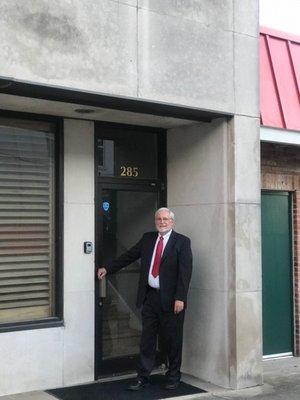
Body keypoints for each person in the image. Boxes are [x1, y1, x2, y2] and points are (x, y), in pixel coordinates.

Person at [97, 207, 192, 390]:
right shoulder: (148, 239)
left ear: (172, 222)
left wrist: (180, 298)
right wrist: (108, 268)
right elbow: (129, 256)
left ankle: (173, 376)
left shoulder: (182, 242)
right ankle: (143, 377)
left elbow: (185, 274)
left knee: (173, 339)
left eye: (165, 219)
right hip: (150, 298)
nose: (162, 222)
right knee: (147, 340)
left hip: (172, 301)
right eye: (159, 219)